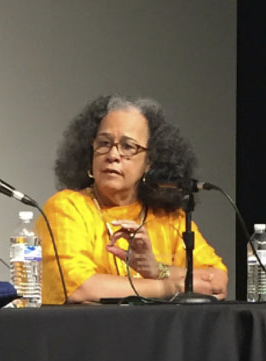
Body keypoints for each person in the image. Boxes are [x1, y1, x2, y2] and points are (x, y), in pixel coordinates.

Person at [38, 95, 227, 304]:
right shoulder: (67, 207)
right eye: (104, 143)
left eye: (128, 146)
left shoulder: (168, 218)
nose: (112, 155)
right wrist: (170, 287)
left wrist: (156, 270)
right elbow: (79, 287)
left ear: (149, 162)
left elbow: (216, 281)